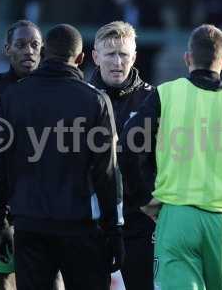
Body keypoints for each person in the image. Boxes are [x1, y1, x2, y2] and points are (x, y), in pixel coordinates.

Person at [120, 24, 222, 289]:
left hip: (176, 218)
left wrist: (143, 198)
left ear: (187, 58)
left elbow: (128, 148)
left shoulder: (166, 94)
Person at [0, 23, 124, 290]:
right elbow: (106, 172)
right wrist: (114, 229)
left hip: (29, 225)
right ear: (81, 58)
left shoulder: (13, 97)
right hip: (82, 227)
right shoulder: (95, 100)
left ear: (45, 52)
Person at [90, 21, 156, 290]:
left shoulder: (154, 100)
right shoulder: (80, 97)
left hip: (138, 219)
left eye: (124, 55)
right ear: (95, 56)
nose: (117, 62)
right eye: (110, 54)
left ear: (135, 57)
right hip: (90, 219)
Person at [0, 20, 43, 290]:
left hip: (45, 201)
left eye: (35, 45)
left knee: (49, 275)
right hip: (1, 201)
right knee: (1, 276)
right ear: (7, 49)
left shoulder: (56, 90)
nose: (28, 51)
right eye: (20, 45)